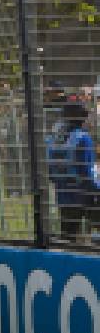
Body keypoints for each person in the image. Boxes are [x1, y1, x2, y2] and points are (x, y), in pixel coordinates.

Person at [47, 98, 98, 241]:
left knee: (68, 237)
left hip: (63, 194)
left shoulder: (53, 139)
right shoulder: (83, 138)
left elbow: (51, 170)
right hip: (83, 195)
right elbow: (87, 173)